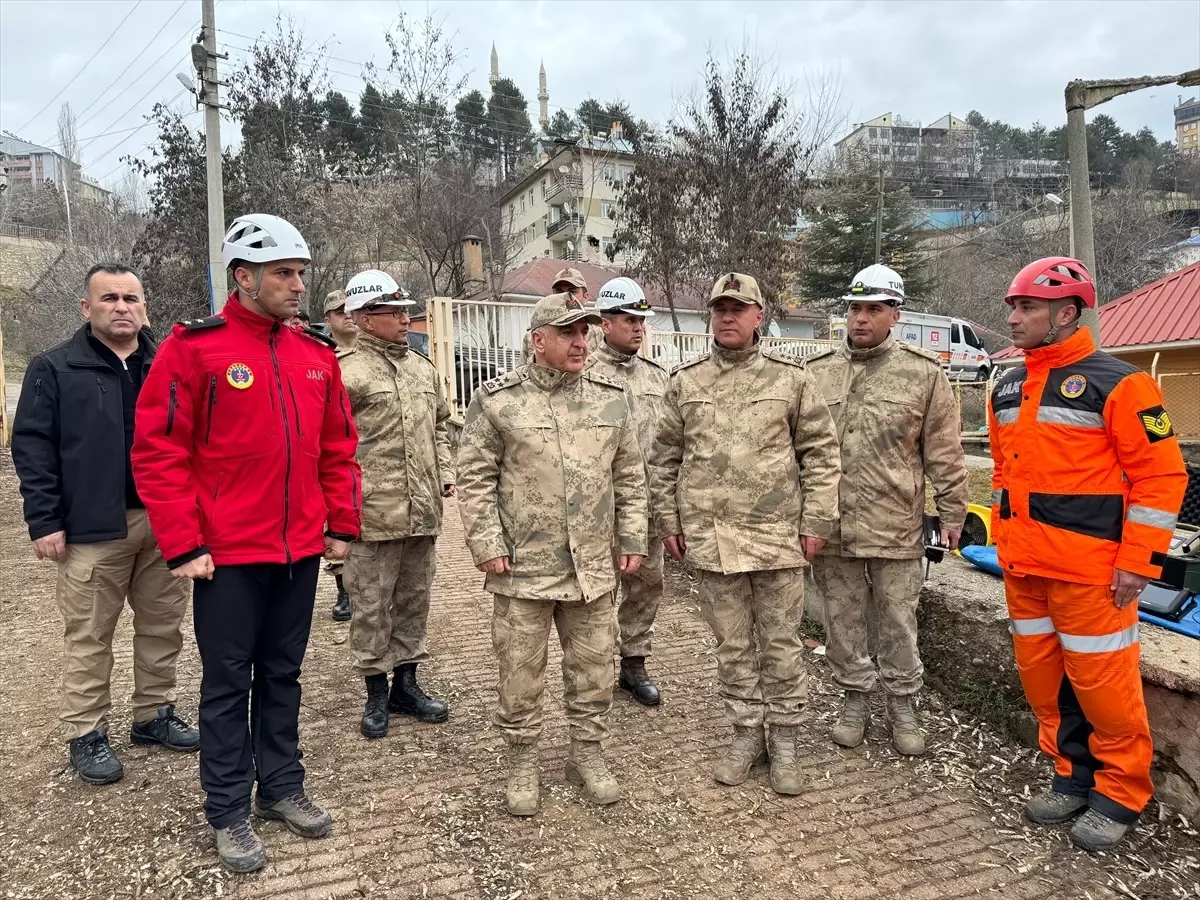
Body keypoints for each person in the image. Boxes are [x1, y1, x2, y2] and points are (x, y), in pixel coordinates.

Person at [132, 214, 362, 874]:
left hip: (296, 552)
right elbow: (158, 450)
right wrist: (182, 543)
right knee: (229, 684)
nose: (297, 285)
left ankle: (281, 786)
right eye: (284, 274)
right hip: (226, 555)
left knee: (284, 674)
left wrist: (341, 524)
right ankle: (229, 808)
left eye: (300, 273)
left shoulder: (315, 355)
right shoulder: (194, 349)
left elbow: (338, 447)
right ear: (244, 276)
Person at [990, 257, 1186, 852]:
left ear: (1066, 314)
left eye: (1028, 307)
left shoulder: (1122, 383)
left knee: (1105, 687)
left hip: (1094, 575)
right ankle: (1071, 777)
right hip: (1025, 569)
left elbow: (1161, 477)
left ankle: (1122, 792)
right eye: (1014, 307)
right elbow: (1003, 472)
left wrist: (1136, 562)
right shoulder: (1005, 385)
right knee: (1046, 686)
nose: (1015, 318)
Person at [649, 272, 841, 796]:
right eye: (719, 309)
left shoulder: (792, 381)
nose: (727, 317)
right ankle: (745, 733)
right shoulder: (684, 382)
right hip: (712, 541)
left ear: (760, 316)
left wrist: (817, 521)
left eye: (739, 309)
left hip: (777, 539)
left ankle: (785, 740)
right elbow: (662, 459)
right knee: (732, 646)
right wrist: (669, 520)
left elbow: (821, 457)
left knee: (780, 644)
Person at [457, 291, 647, 817]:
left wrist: (632, 537)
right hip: (523, 568)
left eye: (584, 332)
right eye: (568, 333)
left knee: (592, 669)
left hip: (591, 568)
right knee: (520, 672)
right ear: (537, 341)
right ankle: (522, 759)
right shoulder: (498, 401)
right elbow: (474, 480)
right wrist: (488, 545)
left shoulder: (611, 398)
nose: (581, 342)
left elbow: (630, 476)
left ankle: (587, 753)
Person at [12, 263, 199, 786]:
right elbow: (32, 447)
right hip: (92, 528)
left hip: (164, 524)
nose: (122, 307)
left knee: (162, 626)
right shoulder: (54, 368)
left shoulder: (168, 365)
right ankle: (87, 732)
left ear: (145, 308)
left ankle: (153, 714)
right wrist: (44, 519)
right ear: (86, 308)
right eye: (110, 298)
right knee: (90, 634)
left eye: (131, 298)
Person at [807, 264, 968, 757]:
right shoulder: (816, 372)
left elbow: (945, 453)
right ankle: (854, 697)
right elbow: (800, 452)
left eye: (873, 308)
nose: (861, 318)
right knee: (843, 622)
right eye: (855, 308)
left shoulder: (923, 374)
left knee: (899, 621)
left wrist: (954, 516)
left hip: (896, 527)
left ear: (895, 314)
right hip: (832, 529)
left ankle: (902, 703)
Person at [338, 269, 454, 739]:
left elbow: (443, 427)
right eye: (394, 312)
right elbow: (329, 445)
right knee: (370, 606)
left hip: (422, 512)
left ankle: (406, 684)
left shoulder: (423, 369)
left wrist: (444, 473)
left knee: (413, 601)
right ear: (365, 318)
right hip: (371, 514)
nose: (406, 319)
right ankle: (375, 694)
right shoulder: (345, 373)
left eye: (406, 311)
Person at [587, 276, 668, 706]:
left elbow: (671, 443)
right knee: (599, 591)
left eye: (642, 320)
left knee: (645, 585)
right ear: (605, 322)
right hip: (599, 510)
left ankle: (634, 664)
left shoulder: (657, 377)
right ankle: (595, 670)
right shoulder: (582, 374)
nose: (637, 327)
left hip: (648, 508)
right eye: (628, 318)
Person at [323, 288, 359, 622]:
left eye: (351, 309)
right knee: (336, 524)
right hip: (338, 457)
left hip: (371, 456)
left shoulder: (372, 355)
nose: (347, 315)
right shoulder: (321, 357)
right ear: (328, 319)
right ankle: (344, 590)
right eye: (339, 311)